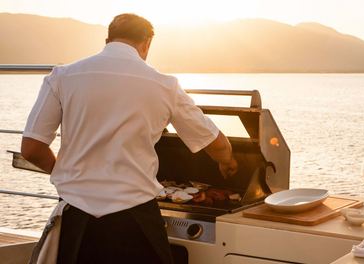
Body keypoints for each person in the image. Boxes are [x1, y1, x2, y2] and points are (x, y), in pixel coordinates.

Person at [21, 13, 238, 263]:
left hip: (76, 220)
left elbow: (32, 148)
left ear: (107, 40)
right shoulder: (164, 84)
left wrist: (66, 171)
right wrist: (227, 160)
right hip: (136, 222)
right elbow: (216, 144)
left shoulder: (63, 76)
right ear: (147, 44)